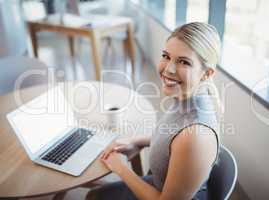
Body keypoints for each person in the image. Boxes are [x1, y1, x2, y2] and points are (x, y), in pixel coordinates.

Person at [86, 22, 222, 200]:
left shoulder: (195, 136)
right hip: (161, 184)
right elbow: (173, 137)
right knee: (95, 195)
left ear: (206, 74)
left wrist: (121, 169)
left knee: (94, 197)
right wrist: (139, 141)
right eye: (166, 56)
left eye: (183, 62)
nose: (168, 69)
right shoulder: (186, 97)